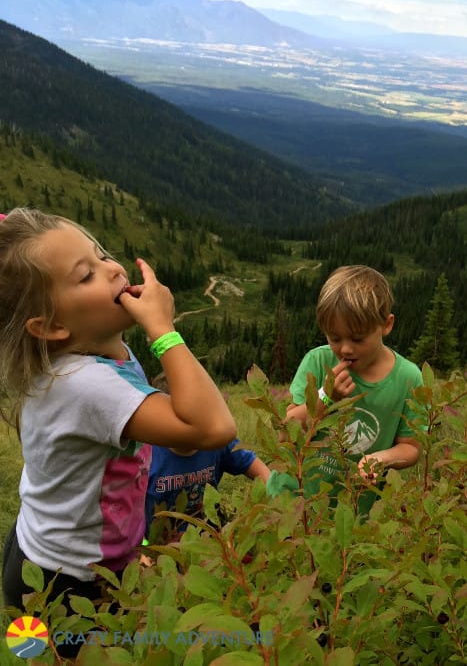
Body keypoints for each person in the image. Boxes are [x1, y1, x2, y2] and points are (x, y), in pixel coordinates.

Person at [0, 208, 236, 642]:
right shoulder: (88, 386)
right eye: (86, 275)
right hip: (65, 583)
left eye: (102, 254)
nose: (112, 270)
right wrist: (163, 330)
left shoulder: (93, 354)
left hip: (37, 551)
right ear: (52, 326)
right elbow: (214, 428)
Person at [267, 265, 423, 515]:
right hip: (292, 504)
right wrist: (326, 396)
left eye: (358, 339)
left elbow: (411, 447)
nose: (345, 349)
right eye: (335, 338)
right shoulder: (317, 362)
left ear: (386, 324)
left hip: (351, 513)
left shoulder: (408, 378)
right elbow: (286, 433)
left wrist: (379, 459)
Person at [145, 373, 270, 542]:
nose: (200, 427)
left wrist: (276, 499)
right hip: (158, 546)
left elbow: (256, 467)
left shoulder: (214, 443)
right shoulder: (145, 455)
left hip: (208, 543)